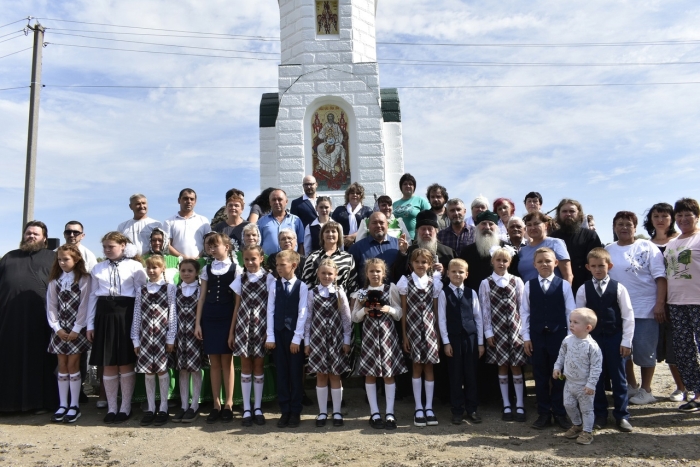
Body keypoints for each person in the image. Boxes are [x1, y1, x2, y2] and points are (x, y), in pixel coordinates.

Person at [605, 211, 666, 406]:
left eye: (628, 224)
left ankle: (646, 390)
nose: (624, 227)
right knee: (624, 351)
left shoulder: (647, 246)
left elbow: (660, 277)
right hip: (618, 311)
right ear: (614, 227)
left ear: (635, 227)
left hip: (645, 309)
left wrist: (659, 304)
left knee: (645, 351)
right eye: (620, 224)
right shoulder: (608, 249)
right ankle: (632, 385)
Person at [87, 232, 147, 424]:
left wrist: (139, 323)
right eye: (104, 247)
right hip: (104, 316)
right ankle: (112, 407)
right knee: (109, 362)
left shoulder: (135, 266)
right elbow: (92, 297)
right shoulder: (97, 268)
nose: (106, 250)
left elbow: (141, 294)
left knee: (125, 361)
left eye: (110, 246)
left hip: (127, 314)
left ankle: (126, 406)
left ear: (123, 246)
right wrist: (90, 324)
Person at [575, 248, 635, 432]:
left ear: (609, 266)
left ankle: (622, 415)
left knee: (619, 378)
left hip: (614, 338)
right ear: (588, 267)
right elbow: (579, 316)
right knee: (595, 378)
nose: (598, 269)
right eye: (594, 266)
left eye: (601, 266)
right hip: (593, 341)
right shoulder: (583, 289)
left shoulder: (619, 288)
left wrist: (626, 341)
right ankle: (600, 414)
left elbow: (628, 315)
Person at [0, 221, 58, 413]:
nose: (31, 236)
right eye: (28, 233)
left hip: (42, 320)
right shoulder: (9, 257)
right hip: (10, 319)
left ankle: (38, 403)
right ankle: (7, 404)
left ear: (44, 238)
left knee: (39, 362)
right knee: (9, 360)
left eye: (36, 234)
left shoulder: (54, 257)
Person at [520, 247, 576, 430]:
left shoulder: (564, 285)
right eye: (540, 261)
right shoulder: (529, 285)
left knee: (559, 376)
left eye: (548, 261)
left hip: (558, 336)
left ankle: (560, 412)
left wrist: (569, 339)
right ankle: (544, 413)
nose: (544, 264)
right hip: (537, 337)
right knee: (540, 376)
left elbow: (570, 312)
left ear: (556, 263)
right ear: (534, 265)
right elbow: (525, 313)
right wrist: (526, 337)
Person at [351, 258, 406, 430]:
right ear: (366, 274)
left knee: (388, 374)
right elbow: (354, 317)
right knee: (370, 374)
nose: (375, 274)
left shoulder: (391, 289)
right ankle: (374, 413)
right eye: (371, 271)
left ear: (384, 273)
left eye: (378, 271)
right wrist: (364, 311)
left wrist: (388, 309)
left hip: (387, 335)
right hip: (370, 338)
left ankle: (390, 413)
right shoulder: (361, 293)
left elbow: (399, 312)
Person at [194, 232, 241, 424]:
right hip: (210, 317)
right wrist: (198, 323)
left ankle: (229, 403)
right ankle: (216, 403)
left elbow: (237, 302)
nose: (212, 249)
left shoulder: (236, 268)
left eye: (216, 245)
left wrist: (232, 329)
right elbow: (202, 297)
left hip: (227, 316)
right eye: (209, 246)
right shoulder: (207, 269)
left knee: (227, 362)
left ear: (226, 247)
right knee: (214, 363)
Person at [644, 203, 687, 402]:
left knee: (677, 345)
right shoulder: (646, 244)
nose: (660, 220)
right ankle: (645, 388)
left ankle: (681, 387)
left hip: (680, 300)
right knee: (654, 345)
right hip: (652, 301)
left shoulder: (681, 241)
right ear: (651, 219)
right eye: (656, 216)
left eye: (664, 216)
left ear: (672, 219)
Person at [479, 247, 527, 423]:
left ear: (510, 263)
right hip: (497, 331)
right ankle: (506, 404)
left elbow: (523, 308)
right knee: (502, 366)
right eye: (498, 260)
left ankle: (520, 404)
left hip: (515, 330)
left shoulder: (517, 281)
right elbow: (484, 309)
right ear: (492, 261)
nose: (501, 263)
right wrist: (488, 332)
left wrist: (524, 332)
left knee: (516, 366)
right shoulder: (486, 283)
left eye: (505, 260)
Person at [46, 244, 91, 423]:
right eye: (60, 259)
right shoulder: (54, 280)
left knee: (73, 365)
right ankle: (63, 404)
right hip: (59, 330)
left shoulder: (84, 279)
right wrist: (56, 328)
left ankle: (74, 405)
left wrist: (76, 329)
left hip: (75, 330)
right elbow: (51, 305)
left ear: (76, 259)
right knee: (62, 366)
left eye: (66, 259)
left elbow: (85, 305)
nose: (63, 262)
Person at [304, 258, 352, 427]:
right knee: (321, 375)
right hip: (317, 340)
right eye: (323, 273)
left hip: (336, 340)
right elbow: (308, 318)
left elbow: (346, 318)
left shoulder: (340, 293)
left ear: (335, 275)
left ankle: (337, 411)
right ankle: (322, 412)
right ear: (318, 274)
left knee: (335, 375)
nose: (326, 276)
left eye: (330, 273)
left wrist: (347, 340)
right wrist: (307, 342)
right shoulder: (312, 293)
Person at [131, 255, 177, 427]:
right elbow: (137, 314)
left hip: (161, 336)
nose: (151, 271)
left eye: (155, 267)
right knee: (148, 372)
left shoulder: (169, 288)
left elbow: (173, 314)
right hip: (145, 337)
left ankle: (163, 407)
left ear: (162, 268)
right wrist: (135, 339)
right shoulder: (141, 290)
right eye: (149, 268)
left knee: (162, 371)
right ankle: (151, 408)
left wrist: (171, 337)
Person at [228, 245, 272, 427]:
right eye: (246, 259)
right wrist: (231, 332)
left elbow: (271, 307)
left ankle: (258, 407)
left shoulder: (269, 278)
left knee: (259, 364)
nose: (250, 262)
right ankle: (246, 408)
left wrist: (269, 332)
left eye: (253, 259)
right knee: (246, 364)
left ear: (261, 258)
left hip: (261, 326)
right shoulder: (241, 278)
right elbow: (236, 307)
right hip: (244, 326)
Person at [399, 248, 443, 427]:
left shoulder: (434, 283)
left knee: (429, 368)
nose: (420, 265)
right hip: (413, 330)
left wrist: (438, 336)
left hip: (430, 330)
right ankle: (418, 407)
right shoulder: (405, 282)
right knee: (417, 366)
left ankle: (429, 407)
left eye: (424, 262)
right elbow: (403, 311)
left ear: (430, 265)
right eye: (417, 262)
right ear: (411, 264)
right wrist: (404, 336)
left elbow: (436, 311)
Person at [664, 198, 700, 412]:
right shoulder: (672, 243)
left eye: (688, 215)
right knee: (684, 350)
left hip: (698, 301)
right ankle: (696, 393)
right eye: (679, 215)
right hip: (676, 303)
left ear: (697, 216)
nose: (683, 219)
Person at [265, 250, 308, 429]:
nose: (279, 268)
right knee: (282, 372)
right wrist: (270, 335)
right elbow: (270, 310)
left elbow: (303, 312)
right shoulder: (274, 285)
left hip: (294, 335)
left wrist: (297, 338)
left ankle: (296, 410)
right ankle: (285, 410)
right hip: (278, 334)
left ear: (293, 266)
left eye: (282, 264)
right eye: (277, 265)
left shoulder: (302, 286)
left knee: (295, 373)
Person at [438, 258, 483, 425]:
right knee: (455, 375)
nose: (457, 274)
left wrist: (480, 343)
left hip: (470, 339)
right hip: (453, 339)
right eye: (454, 271)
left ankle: (472, 409)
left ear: (466, 274)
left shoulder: (472, 292)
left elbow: (478, 318)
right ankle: (457, 410)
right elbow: (441, 319)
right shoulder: (444, 293)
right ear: (448, 273)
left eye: (461, 272)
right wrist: (446, 342)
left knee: (471, 375)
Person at [553, 308, 603, 445]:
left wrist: (591, 384)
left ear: (588, 327)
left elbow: (596, 367)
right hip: (569, 382)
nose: (571, 325)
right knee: (568, 404)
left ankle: (587, 432)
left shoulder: (592, 346)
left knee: (586, 409)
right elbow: (561, 355)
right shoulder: (567, 340)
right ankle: (577, 425)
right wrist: (557, 367)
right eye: (570, 321)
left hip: (584, 385)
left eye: (575, 322)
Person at [173, 259, 208, 423]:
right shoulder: (175, 290)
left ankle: (194, 405)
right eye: (183, 270)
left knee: (195, 369)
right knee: (183, 369)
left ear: (196, 273)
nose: (186, 273)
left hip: (195, 335)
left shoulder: (201, 290)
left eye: (190, 271)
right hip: (181, 335)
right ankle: (183, 405)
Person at [550, 199, 603, 293]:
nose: (568, 214)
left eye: (572, 211)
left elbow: (597, 263)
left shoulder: (590, 236)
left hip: (586, 289)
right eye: (564, 211)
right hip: (558, 289)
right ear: (559, 214)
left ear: (579, 214)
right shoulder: (552, 238)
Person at [392, 210, 454, 284]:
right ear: (417, 231)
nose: (426, 233)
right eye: (423, 229)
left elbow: (456, 278)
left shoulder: (448, 252)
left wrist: (444, 272)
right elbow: (400, 275)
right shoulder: (409, 251)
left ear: (436, 230)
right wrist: (403, 253)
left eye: (430, 229)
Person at [459, 210, 512, 292]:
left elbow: (513, 274)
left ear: (496, 227)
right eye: (483, 224)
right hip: (474, 297)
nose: (487, 227)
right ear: (477, 227)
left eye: (491, 224)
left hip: (501, 297)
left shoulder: (507, 248)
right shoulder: (467, 252)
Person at [301, 221, 358, 295]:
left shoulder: (348, 258)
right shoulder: (313, 257)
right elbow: (306, 282)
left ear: (339, 235)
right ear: (322, 235)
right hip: (317, 303)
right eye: (327, 231)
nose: (330, 234)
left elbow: (353, 285)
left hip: (341, 302)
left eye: (333, 231)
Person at [518, 212, 573, 284]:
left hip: (553, 292)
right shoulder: (522, 251)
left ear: (546, 225)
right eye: (529, 225)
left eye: (536, 224)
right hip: (528, 293)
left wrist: (565, 293)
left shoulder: (555, 243)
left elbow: (568, 275)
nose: (532, 227)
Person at [349, 212, 400, 287]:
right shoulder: (357, 248)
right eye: (374, 223)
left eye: (381, 222)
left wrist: (404, 253)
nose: (378, 225)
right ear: (368, 226)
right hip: (367, 295)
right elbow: (352, 276)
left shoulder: (399, 245)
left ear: (387, 225)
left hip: (394, 294)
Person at [164, 188, 212, 260]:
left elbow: (209, 243)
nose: (189, 201)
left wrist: (198, 257)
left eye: (192, 199)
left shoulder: (204, 221)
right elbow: (167, 245)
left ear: (195, 201)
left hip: (200, 262)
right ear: (179, 200)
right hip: (177, 263)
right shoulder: (169, 222)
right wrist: (183, 257)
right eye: (185, 198)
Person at [258, 189, 305, 256]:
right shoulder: (262, 221)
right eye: (273, 200)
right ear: (270, 202)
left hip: (291, 261)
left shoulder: (296, 220)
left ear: (286, 201)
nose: (276, 202)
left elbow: (301, 243)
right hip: (269, 262)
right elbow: (258, 244)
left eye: (280, 199)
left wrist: (300, 260)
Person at [331, 182, 373, 248]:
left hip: (362, 245)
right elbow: (332, 226)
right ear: (348, 195)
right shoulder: (339, 210)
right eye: (352, 193)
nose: (355, 195)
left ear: (361, 196)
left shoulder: (367, 211)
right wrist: (343, 238)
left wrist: (354, 236)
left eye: (358, 193)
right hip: (341, 245)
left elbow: (370, 228)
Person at [393, 173, 431, 240]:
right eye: (405, 184)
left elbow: (430, 219)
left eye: (410, 184)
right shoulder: (394, 204)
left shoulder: (420, 200)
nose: (408, 186)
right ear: (401, 187)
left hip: (415, 239)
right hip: (397, 239)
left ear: (414, 187)